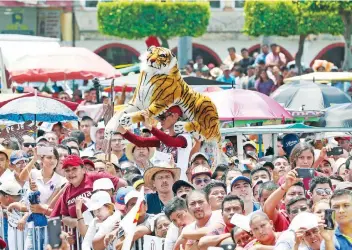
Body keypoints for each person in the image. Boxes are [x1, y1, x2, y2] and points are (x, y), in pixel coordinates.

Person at [118, 106, 192, 181]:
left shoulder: (185, 138)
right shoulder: (163, 138)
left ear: (175, 116)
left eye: (162, 117)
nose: (160, 121)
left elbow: (171, 142)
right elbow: (141, 142)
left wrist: (150, 127)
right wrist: (121, 130)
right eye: (158, 118)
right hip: (161, 182)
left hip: (178, 183)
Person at [50, 155, 126, 227]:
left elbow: (123, 184)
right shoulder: (66, 191)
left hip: (108, 230)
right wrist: (80, 222)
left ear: (83, 170)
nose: (70, 173)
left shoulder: (97, 176)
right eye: (67, 170)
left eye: (74, 169)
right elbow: (64, 217)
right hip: (83, 236)